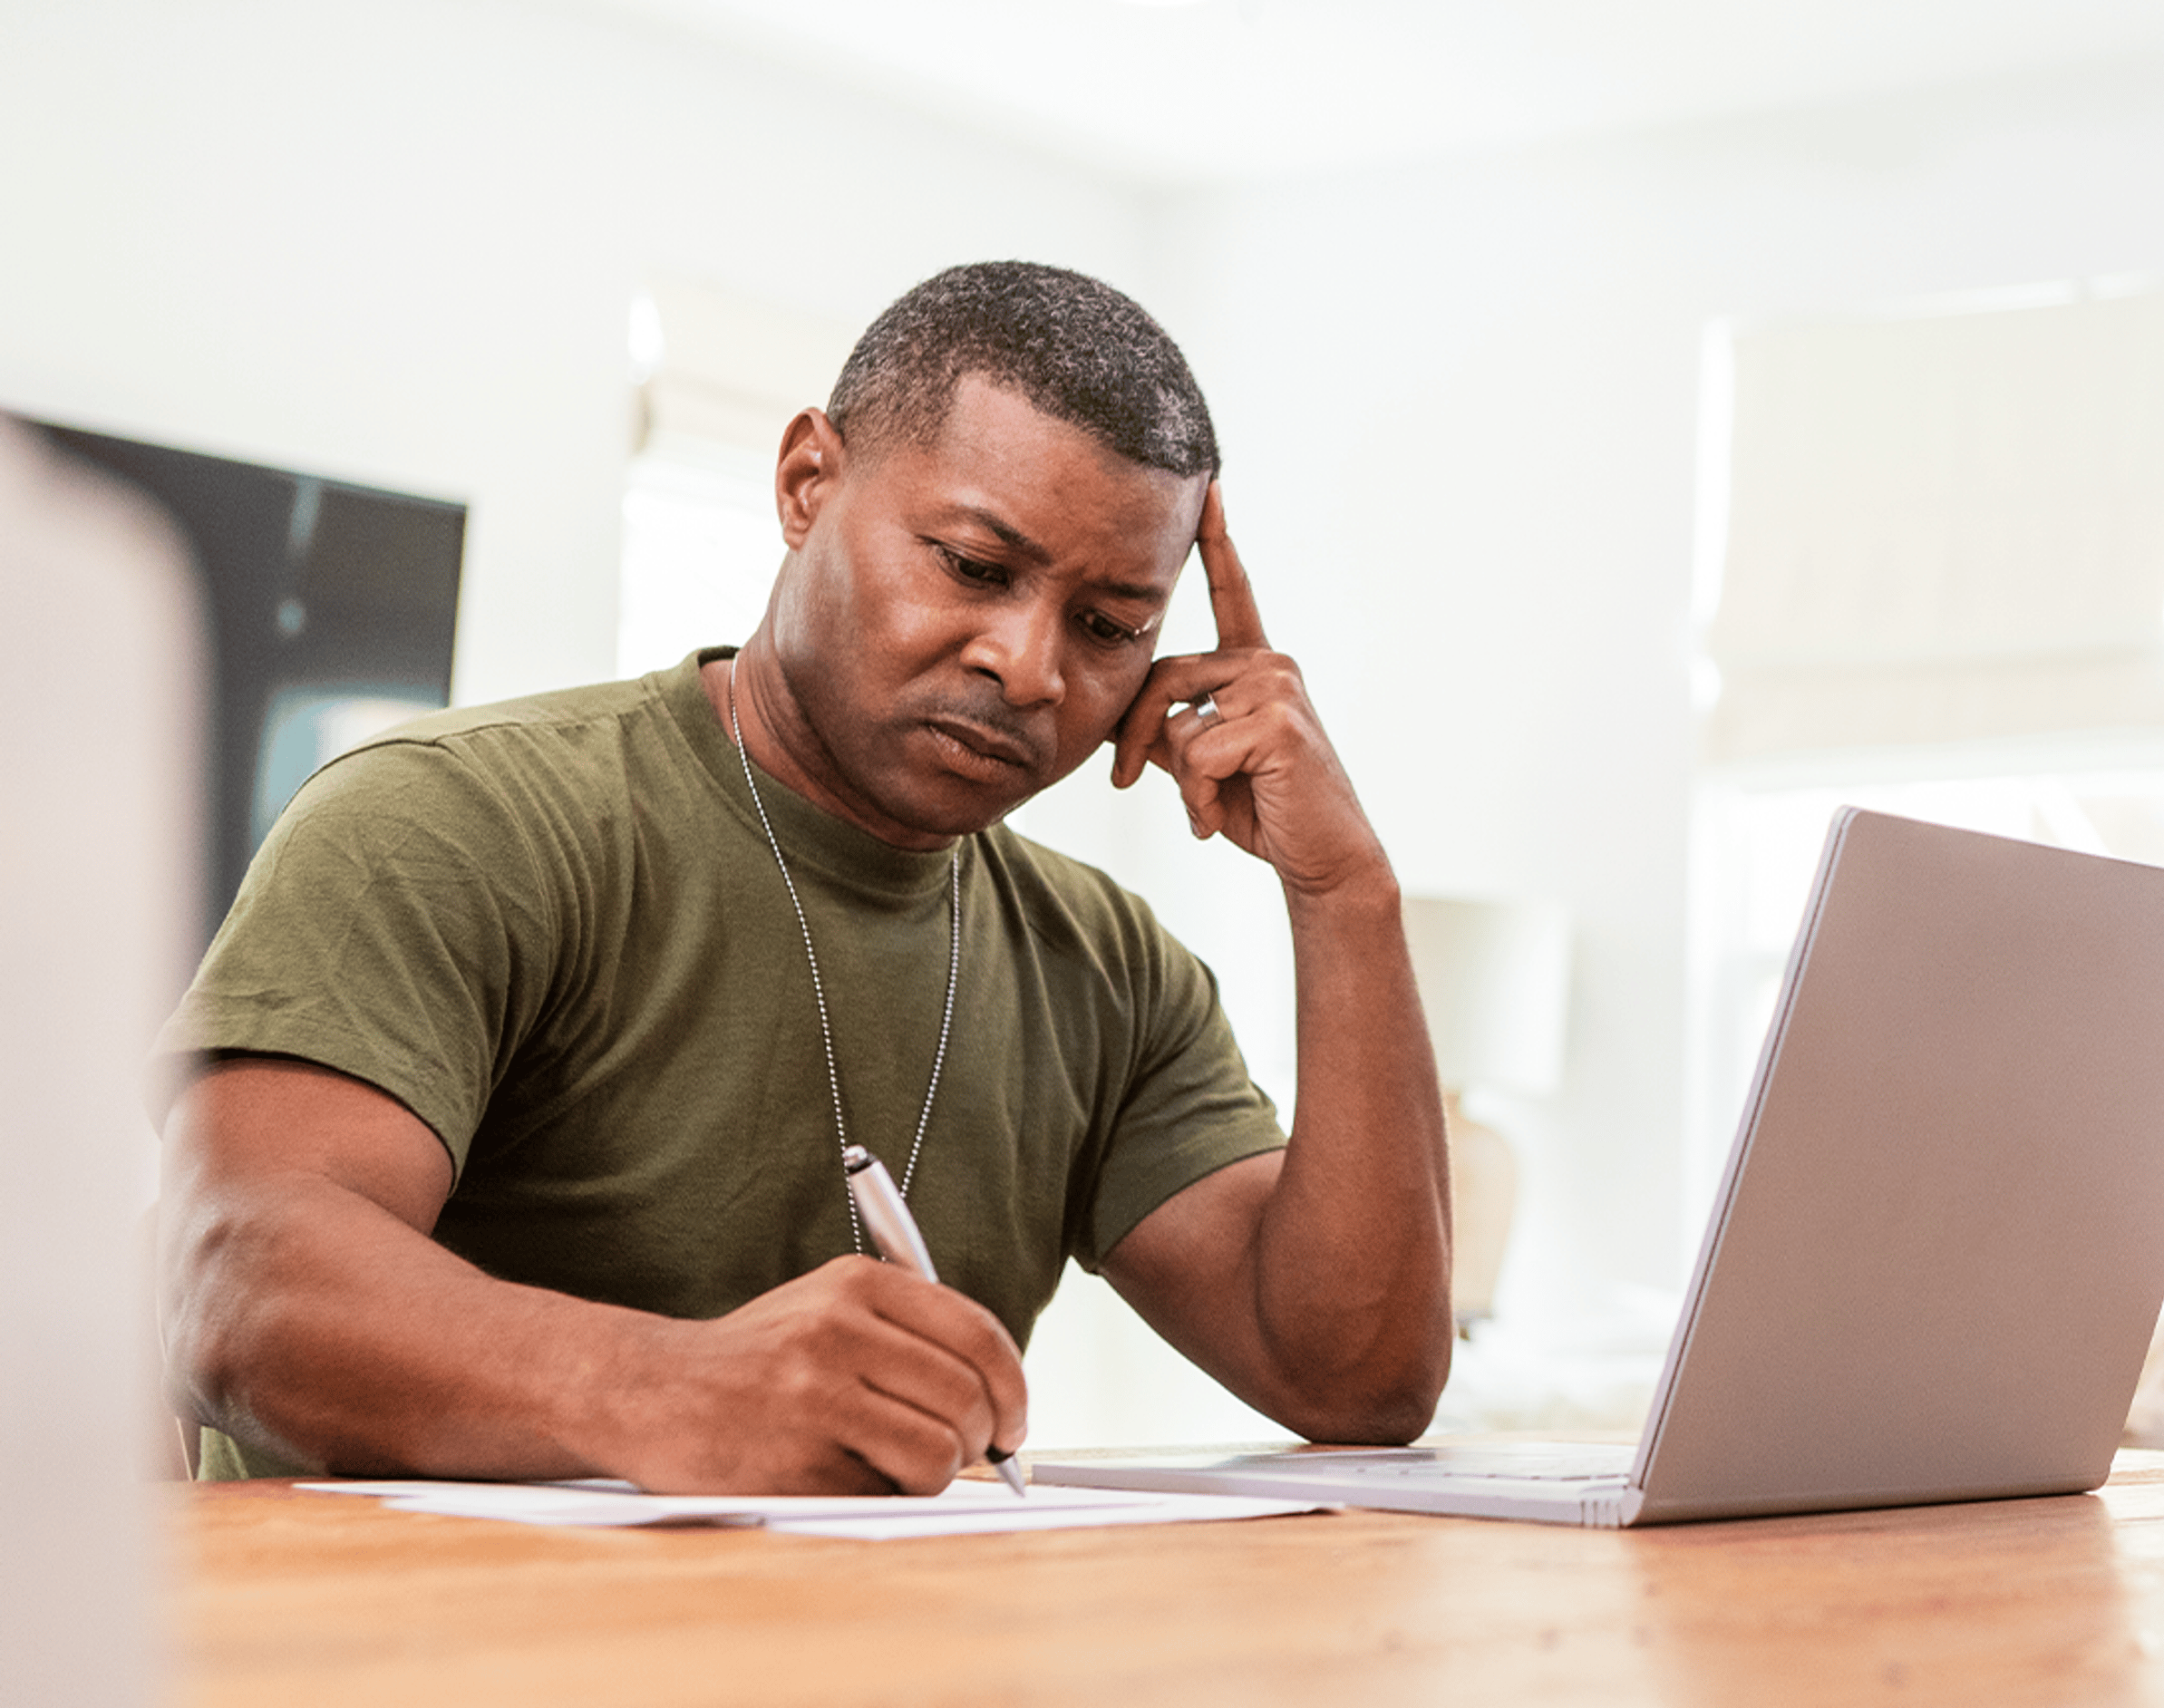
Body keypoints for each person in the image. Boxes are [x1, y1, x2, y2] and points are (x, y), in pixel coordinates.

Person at [154, 261, 1451, 1494]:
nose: (1032, 665)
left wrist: (1347, 894)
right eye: (975, 567)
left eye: (1111, 628)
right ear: (804, 482)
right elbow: (236, 1290)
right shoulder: (459, 818)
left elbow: (1356, 1379)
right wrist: (673, 1388)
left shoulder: (1107, 967)